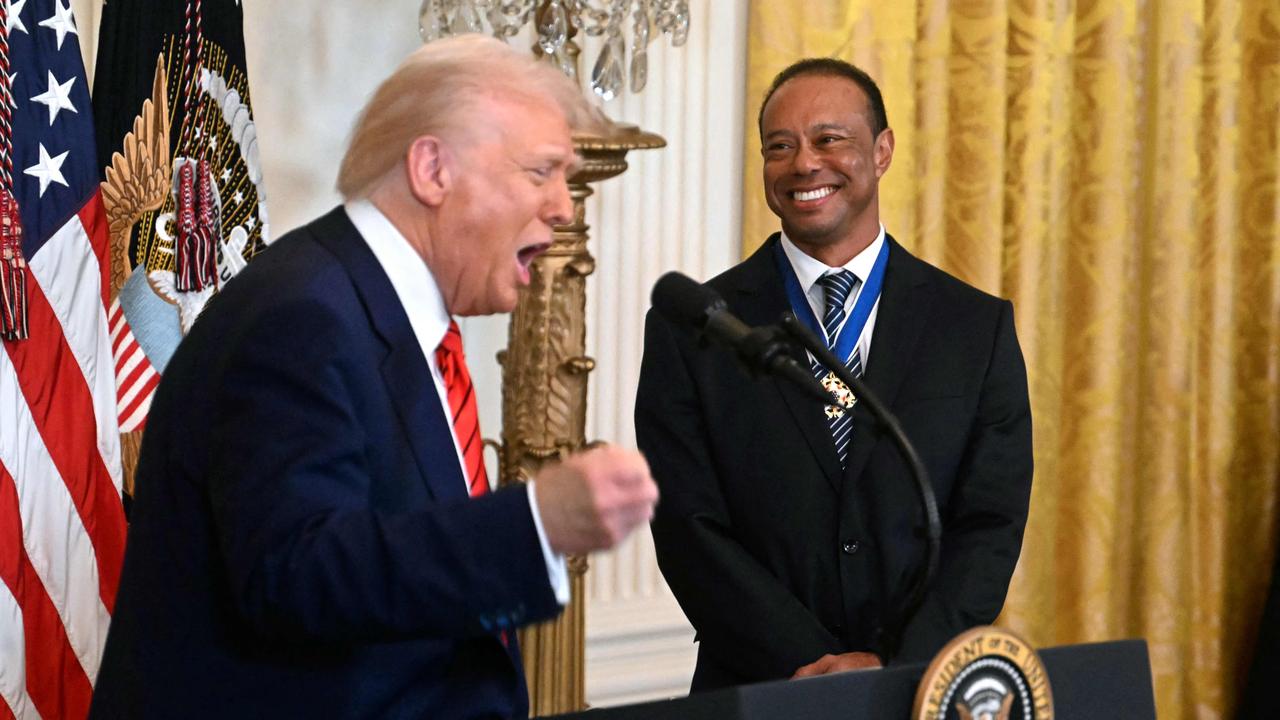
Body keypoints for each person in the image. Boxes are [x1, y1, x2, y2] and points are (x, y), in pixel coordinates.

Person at [90, 36, 658, 719]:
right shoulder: (302, 316)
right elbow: (296, 574)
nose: (566, 207)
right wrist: (534, 524)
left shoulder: (385, 313)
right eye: (541, 173)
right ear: (432, 169)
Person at [635, 58, 1033, 691]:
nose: (804, 164)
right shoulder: (698, 325)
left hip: (918, 685)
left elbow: (990, 522)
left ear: (881, 152)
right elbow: (687, 526)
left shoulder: (974, 328)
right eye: (779, 147)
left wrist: (895, 662)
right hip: (758, 688)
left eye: (829, 140)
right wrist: (809, 666)